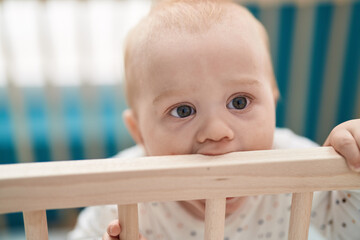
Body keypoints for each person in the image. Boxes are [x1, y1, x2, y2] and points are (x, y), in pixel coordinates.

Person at [68, 0, 360, 239]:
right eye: (183, 110)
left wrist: (353, 174)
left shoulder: (298, 166)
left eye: (239, 102)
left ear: (272, 103)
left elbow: (348, 226)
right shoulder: (124, 193)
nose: (217, 132)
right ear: (139, 132)